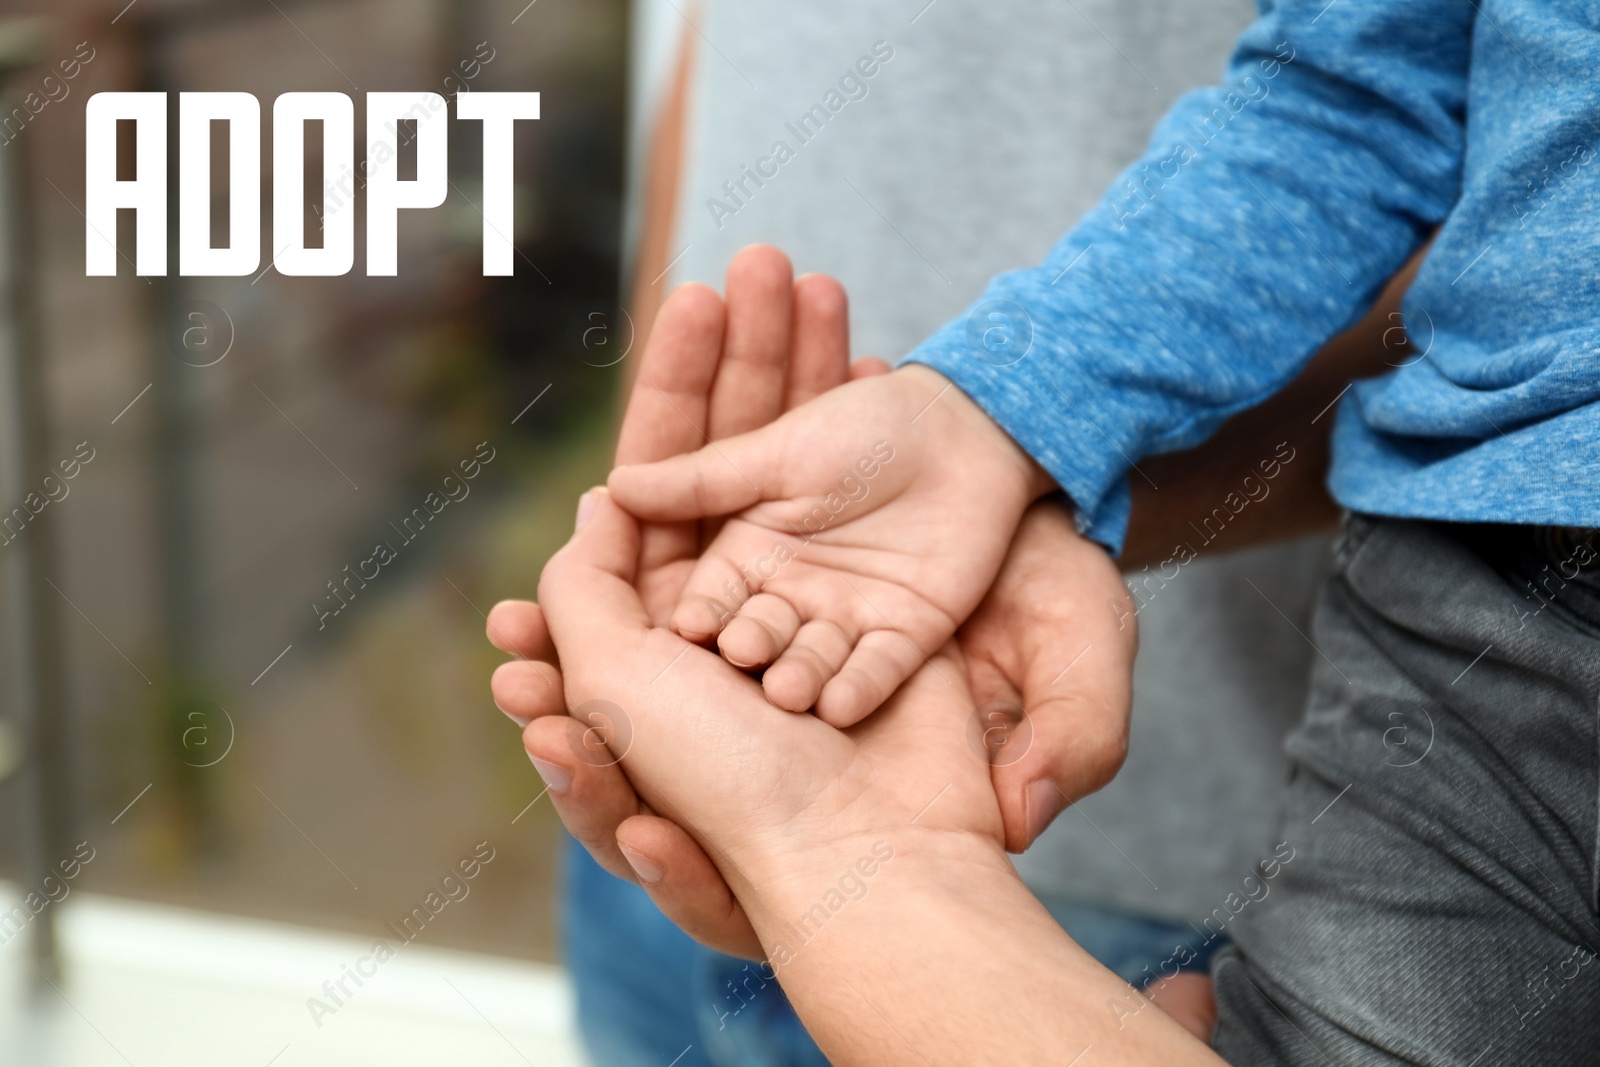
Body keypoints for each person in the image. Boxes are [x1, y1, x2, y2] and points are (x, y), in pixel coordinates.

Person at [516, 0, 1600, 1060]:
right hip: (740, 729)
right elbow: (1358, 80)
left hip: (1082, 820)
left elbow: (1437, 159)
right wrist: (675, 478)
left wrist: (1025, 471)